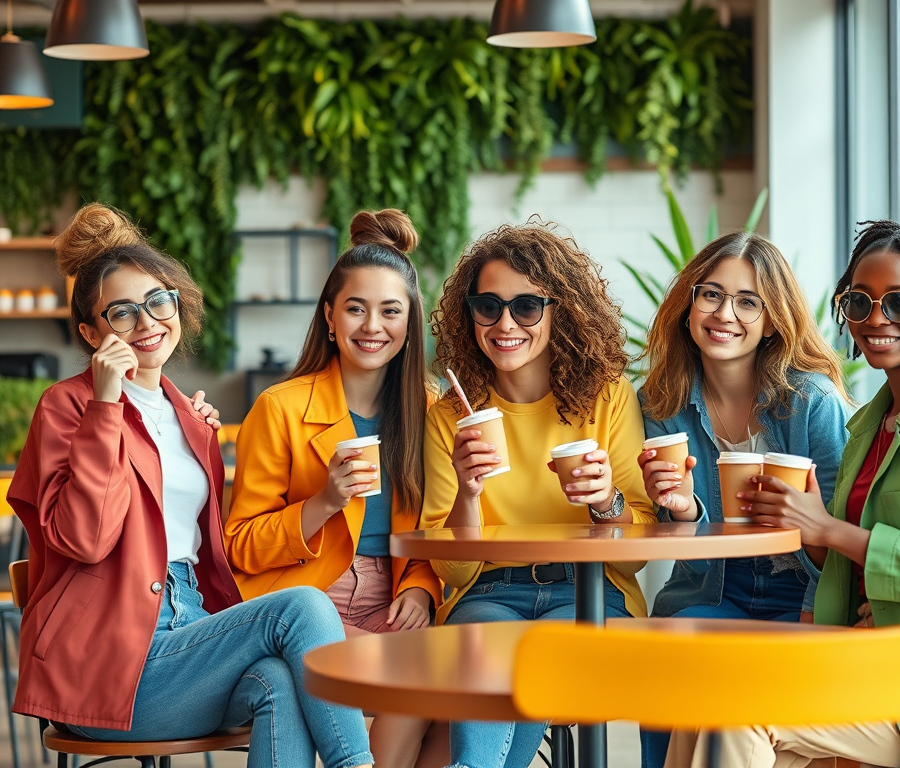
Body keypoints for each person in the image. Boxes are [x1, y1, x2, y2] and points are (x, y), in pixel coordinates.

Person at [5, 203, 372, 768]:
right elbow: (86, 539)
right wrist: (105, 405)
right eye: (122, 313)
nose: (148, 322)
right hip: (111, 665)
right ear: (90, 332)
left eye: (158, 302)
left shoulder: (188, 418)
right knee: (302, 608)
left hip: (189, 634)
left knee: (281, 679)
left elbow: (204, 545)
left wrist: (196, 440)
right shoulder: (67, 407)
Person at [667, 220, 900, 768]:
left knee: (737, 708)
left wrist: (828, 529)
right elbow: (842, 560)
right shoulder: (873, 421)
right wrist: (810, 533)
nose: (876, 319)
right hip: (878, 658)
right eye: (859, 302)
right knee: (706, 695)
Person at [421, 218, 658, 768]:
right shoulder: (451, 417)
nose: (506, 323)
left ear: (560, 313)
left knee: (534, 661)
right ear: (469, 314)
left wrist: (606, 502)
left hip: (591, 594)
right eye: (488, 306)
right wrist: (469, 493)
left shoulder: (607, 397)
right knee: (493, 658)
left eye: (526, 307)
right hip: (487, 595)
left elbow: (639, 549)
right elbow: (452, 572)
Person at [224, 209, 446, 768]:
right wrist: (324, 502)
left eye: (390, 311)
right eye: (355, 308)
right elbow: (240, 546)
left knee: (459, 693)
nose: (372, 326)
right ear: (329, 316)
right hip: (307, 601)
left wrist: (420, 587)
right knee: (419, 677)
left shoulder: (429, 408)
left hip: (394, 603)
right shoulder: (280, 408)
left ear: (410, 322)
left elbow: (432, 523)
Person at [637, 231, 852, 767]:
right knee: (663, 660)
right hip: (714, 589)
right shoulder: (661, 402)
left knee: (739, 692)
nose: (724, 313)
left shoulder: (811, 403)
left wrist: (811, 613)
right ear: (688, 304)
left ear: (773, 318)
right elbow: (669, 538)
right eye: (710, 294)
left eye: (747, 301)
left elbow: (835, 527)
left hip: (798, 593)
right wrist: (685, 510)